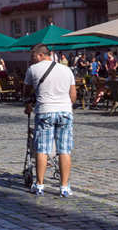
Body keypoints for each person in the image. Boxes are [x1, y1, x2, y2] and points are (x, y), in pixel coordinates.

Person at [23, 44, 77, 197]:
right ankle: (64, 187)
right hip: (65, 111)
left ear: (40, 55)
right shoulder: (67, 70)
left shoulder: (33, 70)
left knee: (42, 149)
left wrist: (28, 107)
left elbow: (26, 93)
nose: (33, 60)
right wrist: (66, 106)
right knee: (64, 150)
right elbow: (73, 95)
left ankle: (39, 184)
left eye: (34, 56)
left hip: (45, 111)